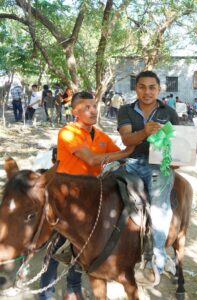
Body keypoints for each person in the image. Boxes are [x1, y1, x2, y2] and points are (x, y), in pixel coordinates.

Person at [39, 91, 134, 300]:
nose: (92, 111)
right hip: (65, 200)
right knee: (55, 250)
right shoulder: (68, 132)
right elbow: (91, 159)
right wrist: (126, 152)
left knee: (82, 247)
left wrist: (140, 147)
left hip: (88, 202)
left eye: (94, 106)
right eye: (86, 108)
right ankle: (45, 294)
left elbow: (119, 155)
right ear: (75, 112)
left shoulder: (100, 135)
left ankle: (73, 290)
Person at [117, 70, 179, 283]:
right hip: (131, 162)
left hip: (157, 166)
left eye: (152, 87)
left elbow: (176, 145)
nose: (147, 92)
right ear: (136, 89)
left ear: (159, 90)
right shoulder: (125, 110)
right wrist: (145, 132)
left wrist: (176, 161)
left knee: (159, 206)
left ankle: (157, 258)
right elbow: (126, 140)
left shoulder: (169, 113)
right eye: (142, 87)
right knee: (101, 186)